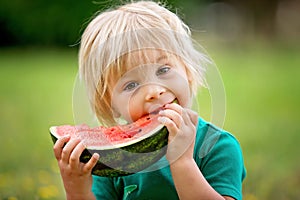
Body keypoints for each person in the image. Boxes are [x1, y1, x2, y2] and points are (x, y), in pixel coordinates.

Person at [53, 1, 246, 200]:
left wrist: (183, 162)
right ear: (111, 105)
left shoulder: (219, 147)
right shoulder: (111, 160)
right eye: (131, 85)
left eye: (163, 70)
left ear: (188, 72)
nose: (153, 91)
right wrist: (78, 190)